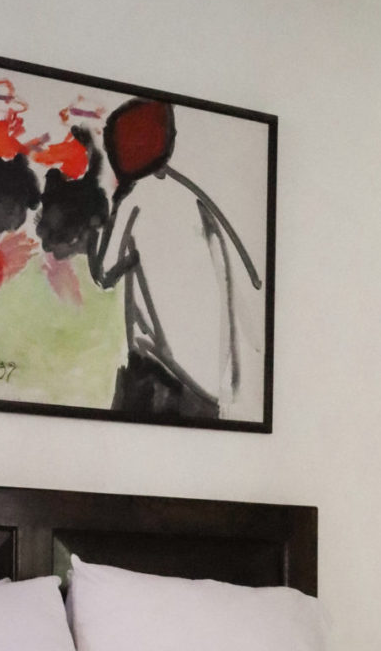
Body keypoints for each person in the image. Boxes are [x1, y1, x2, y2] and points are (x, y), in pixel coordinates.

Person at [92, 96, 262, 421]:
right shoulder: (195, 200)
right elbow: (227, 273)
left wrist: (99, 226)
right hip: (209, 381)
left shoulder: (133, 202)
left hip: (162, 369)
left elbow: (103, 275)